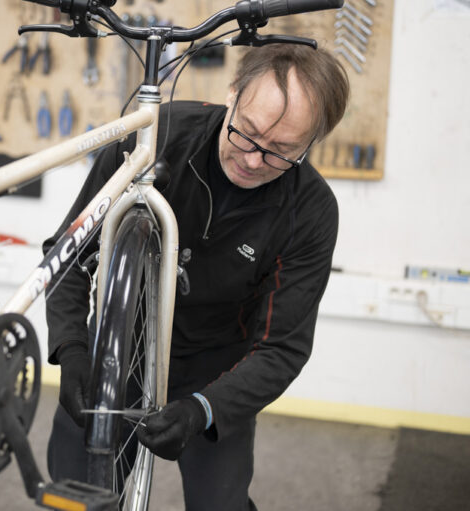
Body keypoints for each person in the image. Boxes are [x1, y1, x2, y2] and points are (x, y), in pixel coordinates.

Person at [43, 43, 349, 510]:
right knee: (76, 497)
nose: (252, 160)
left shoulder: (310, 210)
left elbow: (282, 346)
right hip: (117, 349)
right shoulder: (151, 140)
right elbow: (68, 255)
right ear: (232, 94)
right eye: (246, 133)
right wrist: (71, 349)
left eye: (281, 151)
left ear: (311, 144)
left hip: (218, 369)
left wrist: (204, 410)